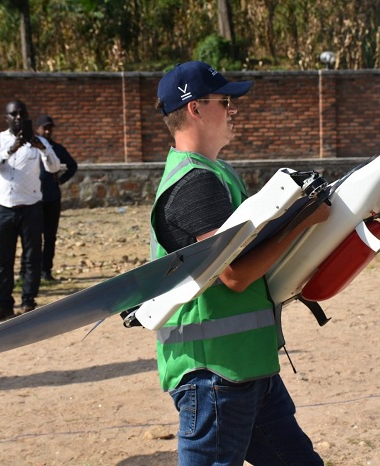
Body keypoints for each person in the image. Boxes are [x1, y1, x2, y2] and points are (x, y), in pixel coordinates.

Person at [152, 61, 329, 465]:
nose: (234, 110)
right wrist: (301, 225)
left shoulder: (216, 172)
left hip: (245, 366)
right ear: (195, 108)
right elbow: (233, 274)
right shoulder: (195, 182)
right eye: (225, 101)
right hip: (213, 374)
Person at [0, 100, 60, 323]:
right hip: (4, 210)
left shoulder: (40, 142)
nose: (18, 117)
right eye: (13, 114)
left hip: (31, 209)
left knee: (31, 257)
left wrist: (42, 148)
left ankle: (28, 302)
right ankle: (4, 304)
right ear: (6, 118)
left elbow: (54, 167)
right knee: (4, 260)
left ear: (27, 117)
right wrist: (12, 148)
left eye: (22, 114)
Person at [35, 115, 77, 281]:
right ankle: (30, 270)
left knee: (50, 236)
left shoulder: (56, 148)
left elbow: (73, 165)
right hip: (34, 200)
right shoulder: (32, 148)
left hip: (52, 198)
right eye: (44, 128)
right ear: (37, 129)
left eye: (49, 128)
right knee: (33, 238)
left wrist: (61, 179)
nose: (47, 131)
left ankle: (46, 270)